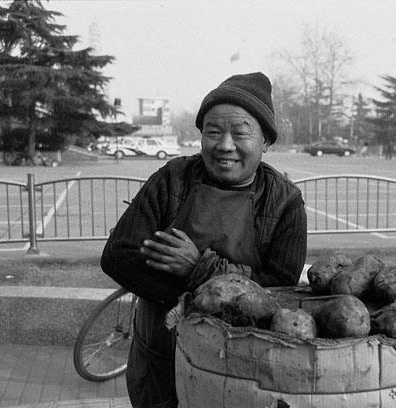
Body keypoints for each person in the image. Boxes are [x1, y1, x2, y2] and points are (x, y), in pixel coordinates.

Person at [100, 72, 308, 408]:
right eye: (213, 132)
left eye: (240, 133)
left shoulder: (284, 203)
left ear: (266, 141)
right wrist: (197, 296)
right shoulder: (172, 180)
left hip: (242, 369)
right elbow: (119, 255)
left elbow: (280, 289)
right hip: (161, 353)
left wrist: (198, 267)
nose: (225, 145)